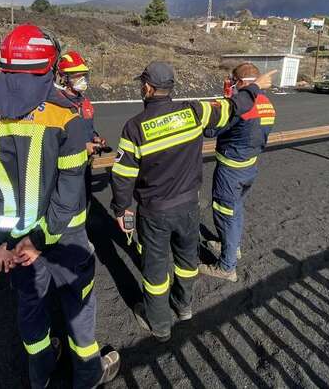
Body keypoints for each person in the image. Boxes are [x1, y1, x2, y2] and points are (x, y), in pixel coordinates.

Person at [0, 24, 119, 388]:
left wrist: (0, 243)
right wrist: (39, 239)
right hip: (64, 239)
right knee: (79, 307)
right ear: (49, 69)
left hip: (14, 247)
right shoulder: (66, 120)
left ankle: (41, 375)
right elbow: (68, 192)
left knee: (30, 311)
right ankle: (87, 374)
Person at [110, 61, 274, 342]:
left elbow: (123, 176)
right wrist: (255, 86)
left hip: (154, 213)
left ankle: (159, 324)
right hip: (188, 208)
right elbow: (236, 106)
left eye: (143, 84)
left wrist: (121, 210)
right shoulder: (195, 111)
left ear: (147, 88)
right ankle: (183, 306)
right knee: (187, 261)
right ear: (171, 87)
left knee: (154, 270)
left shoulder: (134, 128)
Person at [199, 63, 276, 282]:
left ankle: (226, 266)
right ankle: (231, 246)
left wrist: (225, 105)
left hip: (230, 171)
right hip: (249, 167)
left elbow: (210, 129)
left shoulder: (239, 108)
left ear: (240, 83)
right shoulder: (267, 104)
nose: (230, 85)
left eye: (233, 81)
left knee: (226, 214)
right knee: (237, 210)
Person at [55, 50, 109, 203]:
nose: (83, 79)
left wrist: (95, 138)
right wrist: (82, 146)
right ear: (64, 78)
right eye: (77, 75)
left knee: (85, 203)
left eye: (84, 75)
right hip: (64, 170)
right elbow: (54, 140)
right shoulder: (57, 105)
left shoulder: (84, 103)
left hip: (84, 166)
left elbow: (88, 129)